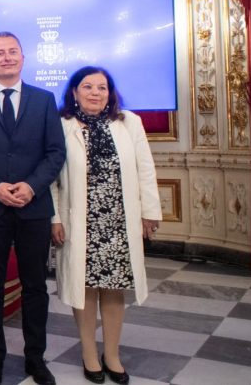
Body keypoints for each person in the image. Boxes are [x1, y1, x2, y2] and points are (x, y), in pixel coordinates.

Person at [0, 32, 65, 385]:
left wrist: (31, 186)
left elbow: (55, 152)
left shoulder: (44, 100)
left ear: (23, 58)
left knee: (35, 286)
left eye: (12, 52)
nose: (6, 58)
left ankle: (35, 358)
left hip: (34, 208)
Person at [50, 67, 162, 385]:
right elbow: (52, 181)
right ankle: (89, 354)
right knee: (83, 289)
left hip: (118, 222)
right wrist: (54, 218)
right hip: (79, 223)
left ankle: (112, 355)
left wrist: (150, 212)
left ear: (110, 93)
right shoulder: (61, 126)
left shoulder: (130, 123)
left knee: (113, 289)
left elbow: (145, 170)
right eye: (88, 86)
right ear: (74, 92)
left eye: (102, 87)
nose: (95, 92)